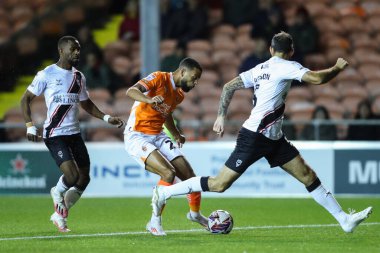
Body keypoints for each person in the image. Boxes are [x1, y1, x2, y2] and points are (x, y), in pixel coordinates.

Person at [151, 31, 373, 235]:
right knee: (220, 184)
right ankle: (164, 193)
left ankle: (344, 219)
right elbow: (317, 79)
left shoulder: (259, 69)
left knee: (307, 175)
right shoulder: (288, 66)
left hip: (274, 138)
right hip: (255, 136)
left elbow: (228, 86)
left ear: (270, 50)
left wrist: (221, 116)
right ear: (291, 51)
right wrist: (336, 68)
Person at [20, 36, 124, 232]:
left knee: (84, 178)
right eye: (73, 49)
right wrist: (29, 125)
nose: (77, 52)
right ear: (61, 51)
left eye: (78, 49)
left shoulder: (79, 77)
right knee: (71, 175)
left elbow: (86, 103)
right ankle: (57, 191)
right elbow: (25, 99)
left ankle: (59, 215)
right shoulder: (47, 74)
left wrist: (106, 118)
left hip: (74, 133)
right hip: (54, 134)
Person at [123, 57, 208, 236]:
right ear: (183, 72)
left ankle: (195, 214)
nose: (195, 83)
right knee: (168, 173)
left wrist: (176, 133)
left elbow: (167, 113)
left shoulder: (178, 94)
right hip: (137, 134)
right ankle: (154, 222)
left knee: (189, 175)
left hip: (158, 135)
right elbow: (131, 91)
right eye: (194, 78)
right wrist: (149, 100)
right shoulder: (158, 78)